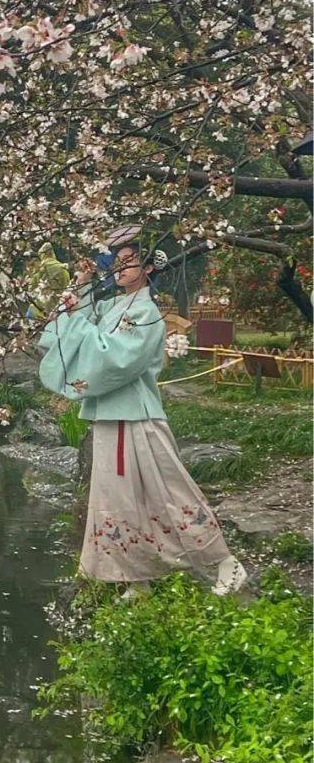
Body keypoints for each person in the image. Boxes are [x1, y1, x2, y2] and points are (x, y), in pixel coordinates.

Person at [37, 234, 248, 600]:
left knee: (168, 490)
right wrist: (83, 287)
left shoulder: (146, 313)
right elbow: (72, 326)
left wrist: (84, 326)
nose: (120, 267)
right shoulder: (113, 307)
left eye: (130, 260)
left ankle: (225, 561)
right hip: (110, 418)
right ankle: (136, 578)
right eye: (117, 261)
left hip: (137, 416)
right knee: (115, 500)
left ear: (148, 268)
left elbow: (114, 358)